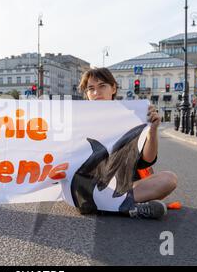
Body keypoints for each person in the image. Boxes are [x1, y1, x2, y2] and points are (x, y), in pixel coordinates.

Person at [74, 67, 177, 219]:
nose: (96, 93)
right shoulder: (76, 121)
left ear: (113, 88)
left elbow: (147, 160)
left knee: (169, 179)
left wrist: (152, 130)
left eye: (102, 86)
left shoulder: (132, 117)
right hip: (90, 186)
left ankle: (111, 206)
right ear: (87, 94)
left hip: (124, 187)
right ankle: (128, 207)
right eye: (91, 89)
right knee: (76, 184)